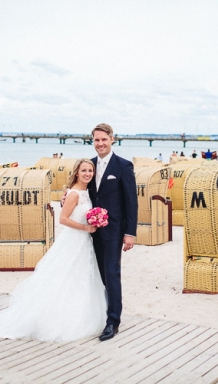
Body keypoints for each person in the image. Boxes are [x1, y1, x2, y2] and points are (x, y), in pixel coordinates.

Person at [0, 159, 107, 342]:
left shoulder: (85, 192)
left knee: (80, 277)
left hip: (84, 242)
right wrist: (86, 228)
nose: (88, 174)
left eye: (90, 171)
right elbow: (63, 219)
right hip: (74, 239)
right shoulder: (74, 194)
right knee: (63, 276)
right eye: (84, 170)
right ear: (76, 172)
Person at [87, 123, 138, 341]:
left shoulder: (123, 166)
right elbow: (80, 191)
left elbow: (131, 203)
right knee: (97, 274)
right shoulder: (88, 165)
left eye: (104, 140)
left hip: (114, 230)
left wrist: (130, 233)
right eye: (96, 140)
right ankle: (99, 313)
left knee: (111, 274)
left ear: (112, 140)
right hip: (90, 230)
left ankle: (113, 321)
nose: (100, 144)